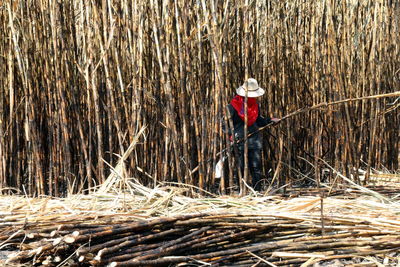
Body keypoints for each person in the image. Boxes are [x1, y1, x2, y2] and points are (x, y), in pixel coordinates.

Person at [226, 78, 280, 191]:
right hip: (239, 141)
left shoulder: (255, 106)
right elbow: (224, 124)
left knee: (256, 167)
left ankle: (257, 191)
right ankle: (242, 190)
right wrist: (231, 136)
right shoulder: (232, 107)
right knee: (241, 167)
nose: (253, 97)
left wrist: (270, 120)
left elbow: (258, 121)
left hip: (254, 140)